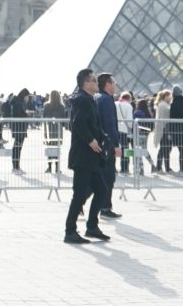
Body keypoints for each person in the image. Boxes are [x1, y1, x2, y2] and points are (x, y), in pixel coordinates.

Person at [63, 68, 110, 244]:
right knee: (80, 194)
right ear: (86, 83)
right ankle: (70, 231)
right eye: (94, 80)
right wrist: (91, 140)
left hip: (90, 156)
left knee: (101, 190)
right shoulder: (83, 101)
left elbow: (91, 124)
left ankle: (92, 226)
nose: (97, 83)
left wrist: (101, 137)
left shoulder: (88, 99)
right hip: (83, 156)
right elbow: (78, 123)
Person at [93, 73, 123, 218]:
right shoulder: (107, 100)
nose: (115, 84)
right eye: (114, 81)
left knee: (98, 176)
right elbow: (110, 125)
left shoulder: (97, 97)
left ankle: (81, 204)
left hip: (98, 142)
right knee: (109, 176)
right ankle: (105, 207)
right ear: (108, 84)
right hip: (107, 144)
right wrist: (116, 144)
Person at [7, 88, 32, 174]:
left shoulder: (19, 102)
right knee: (17, 148)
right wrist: (26, 113)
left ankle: (17, 166)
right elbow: (18, 114)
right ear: (24, 96)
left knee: (18, 148)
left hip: (20, 127)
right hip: (19, 127)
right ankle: (15, 167)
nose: (28, 98)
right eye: (27, 96)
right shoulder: (18, 103)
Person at [151, 90, 173, 173]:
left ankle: (164, 167)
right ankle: (160, 167)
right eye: (169, 96)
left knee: (165, 149)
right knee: (164, 149)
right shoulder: (164, 105)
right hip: (164, 130)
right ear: (165, 96)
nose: (170, 98)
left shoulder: (161, 104)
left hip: (162, 129)